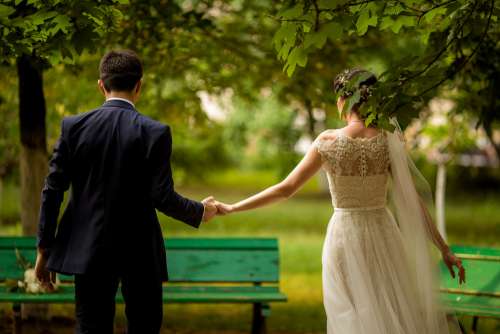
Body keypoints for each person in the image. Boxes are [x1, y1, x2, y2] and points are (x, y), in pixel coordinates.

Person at [215, 68, 466, 334]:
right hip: (384, 234)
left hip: (345, 237)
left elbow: (285, 189)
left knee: (350, 314)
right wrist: (444, 248)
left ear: (343, 100)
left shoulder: (328, 142)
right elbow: (412, 200)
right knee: (389, 307)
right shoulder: (387, 140)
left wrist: (232, 207)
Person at [34, 50, 218, 334]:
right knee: (145, 326)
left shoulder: (73, 128)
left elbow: (53, 190)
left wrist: (44, 249)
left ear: (101, 85)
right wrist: (199, 211)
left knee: (91, 327)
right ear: (139, 86)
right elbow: (162, 196)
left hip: (87, 249)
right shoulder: (155, 132)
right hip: (140, 251)